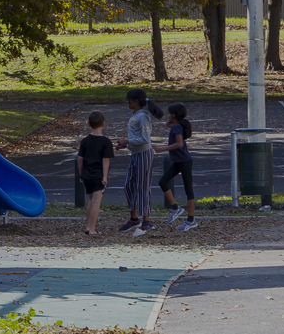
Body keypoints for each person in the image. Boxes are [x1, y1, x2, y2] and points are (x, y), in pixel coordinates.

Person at [117, 89, 157, 237]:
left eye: (129, 101)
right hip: (135, 154)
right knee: (129, 185)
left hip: (144, 154)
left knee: (142, 186)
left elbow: (145, 139)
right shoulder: (135, 116)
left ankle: (146, 219)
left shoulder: (143, 117)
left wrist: (127, 141)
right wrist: (125, 145)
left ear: (135, 101)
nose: (128, 103)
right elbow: (136, 138)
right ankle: (134, 218)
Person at [156, 103, 197, 232]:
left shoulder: (177, 128)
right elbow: (167, 124)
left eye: (169, 113)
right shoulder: (177, 126)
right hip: (178, 161)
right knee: (162, 182)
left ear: (174, 115)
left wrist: (163, 148)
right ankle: (176, 208)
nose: (167, 115)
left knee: (188, 190)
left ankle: (191, 220)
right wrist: (172, 119)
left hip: (184, 161)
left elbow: (179, 144)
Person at [77, 111, 115, 236]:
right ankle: (92, 229)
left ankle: (88, 226)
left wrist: (81, 173)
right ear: (103, 124)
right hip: (98, 175)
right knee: (96, 202)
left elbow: (80, 159)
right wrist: (105, 176)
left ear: (88, 124)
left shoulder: (85, 141)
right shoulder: (106, 142)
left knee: (91, 199)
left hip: (87, 174)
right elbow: (105, 160)